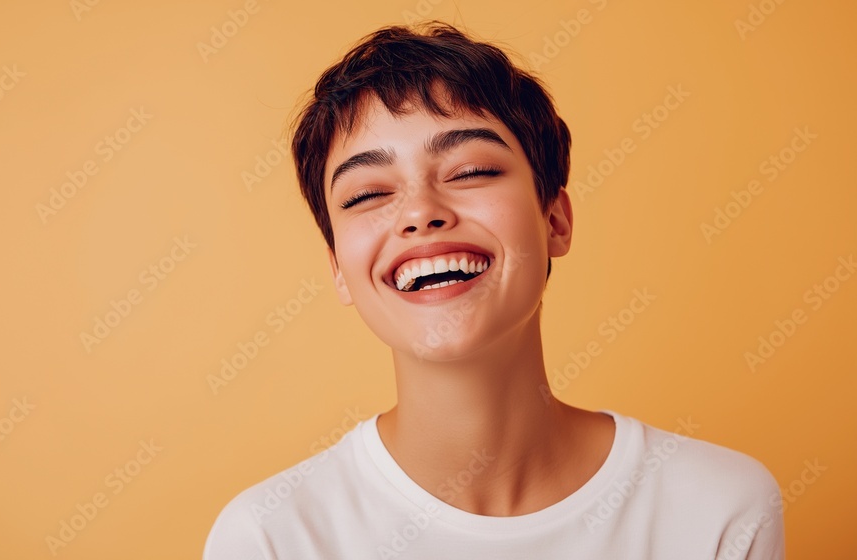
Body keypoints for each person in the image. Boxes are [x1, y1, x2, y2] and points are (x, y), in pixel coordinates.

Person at [204, 22, 784, 559]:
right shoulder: (270, 538)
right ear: (338, 268)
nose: (420, 213)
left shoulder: (720, 510)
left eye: (469, 171)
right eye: (366, 195)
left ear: (555, 219)